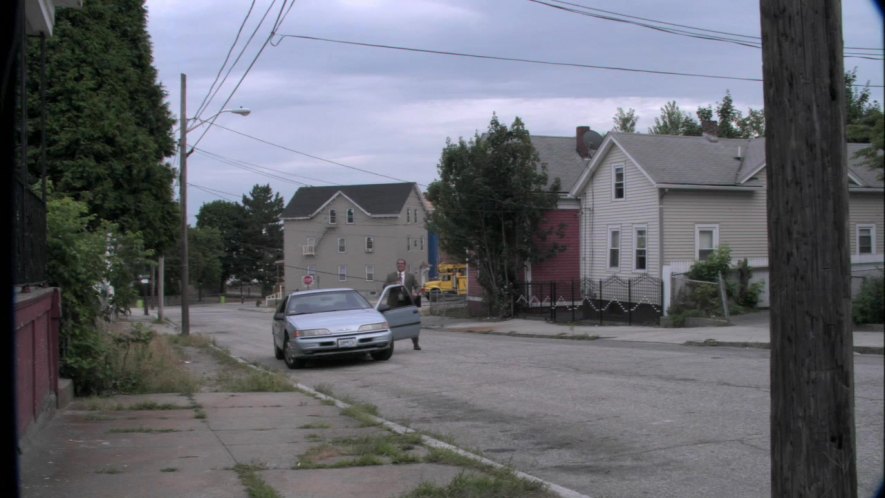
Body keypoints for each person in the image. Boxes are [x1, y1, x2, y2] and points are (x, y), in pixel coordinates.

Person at [384, 258, 422, 350]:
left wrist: (416, 293)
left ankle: (415, 344)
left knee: (411, 322)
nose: (400, 265)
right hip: (393, 303)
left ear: (405, 265)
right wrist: (394, 283)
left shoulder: (410, 276)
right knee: (391, 324)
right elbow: (384, 286)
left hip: (406, 302)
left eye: (402, 264)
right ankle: (389, 345)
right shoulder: (390, 276)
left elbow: (417, 286)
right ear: (396, 265)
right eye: (398, 264)